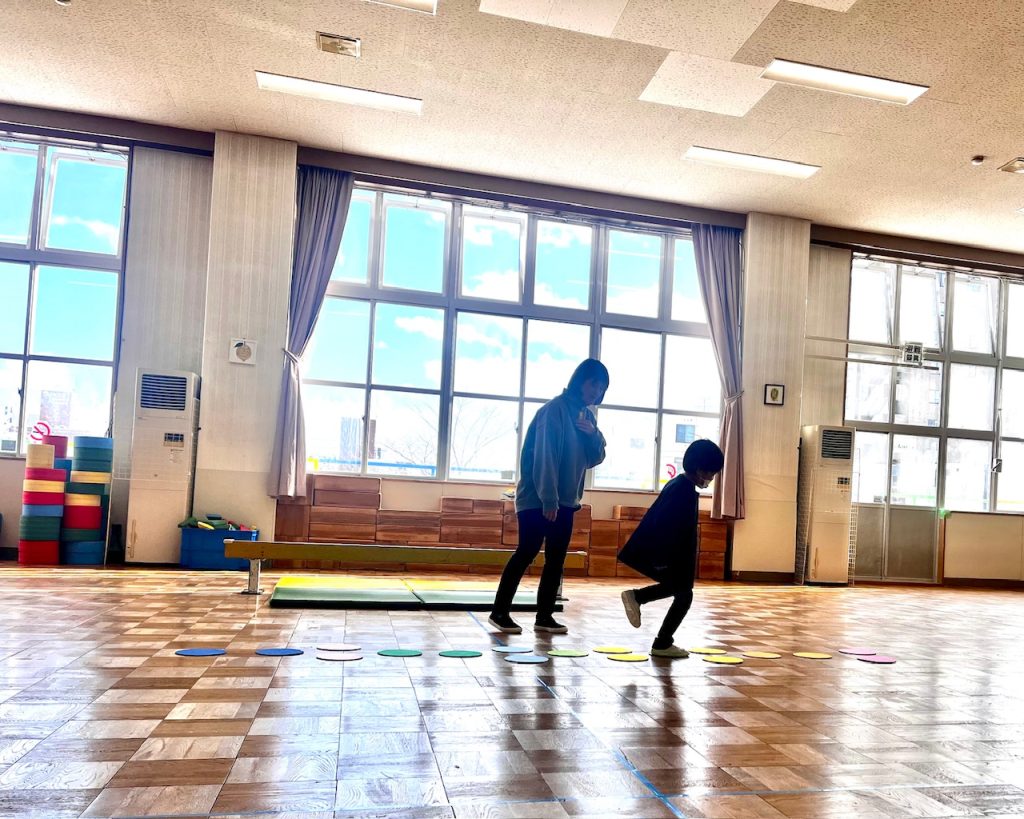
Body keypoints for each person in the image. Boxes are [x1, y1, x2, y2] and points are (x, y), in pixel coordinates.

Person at [488, 359, 609, 635]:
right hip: (537, 498)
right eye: (594, 384)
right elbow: (545, 455)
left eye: (602, 387)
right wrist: (549, 499)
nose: (597, 391)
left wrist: (593, 435)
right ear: (580, 381)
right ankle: (499, 612)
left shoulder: (587, 417)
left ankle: (544, 617)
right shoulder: (554, 410)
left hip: (566, 501)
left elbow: (595, 457)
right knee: (527, 552)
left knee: (556, 559)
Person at [617, 439, 725, 658]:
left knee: (681, 592)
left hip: (675, 554)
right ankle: (653, 626)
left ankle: (660, 637)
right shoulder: (682, 490)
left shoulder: (681, 485)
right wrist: (664, 558)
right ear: (700, 470)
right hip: (672, 554)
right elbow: (665, 524)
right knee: (683, 594)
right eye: (711, 473)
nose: (711, 479)